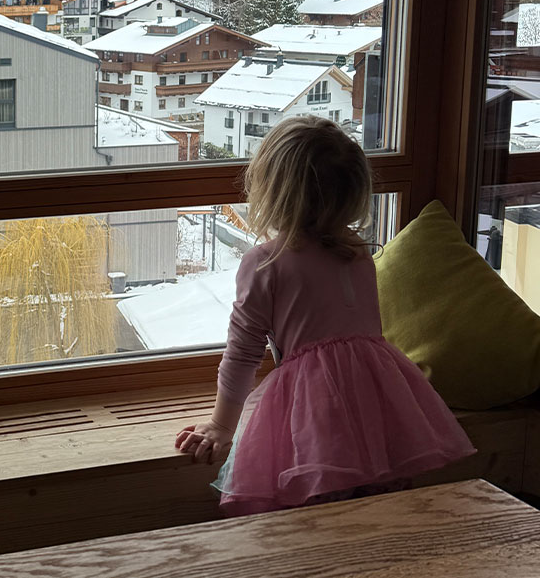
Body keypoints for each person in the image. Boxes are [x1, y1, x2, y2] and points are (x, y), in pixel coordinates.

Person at [174, 116, 474, 515]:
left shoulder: (267, 262)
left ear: (271, 191)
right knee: (377, 516)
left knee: (315, 517)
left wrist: (222, 426)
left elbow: (244, 353)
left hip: (315, 413)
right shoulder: (356, 251)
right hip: (380, 404)